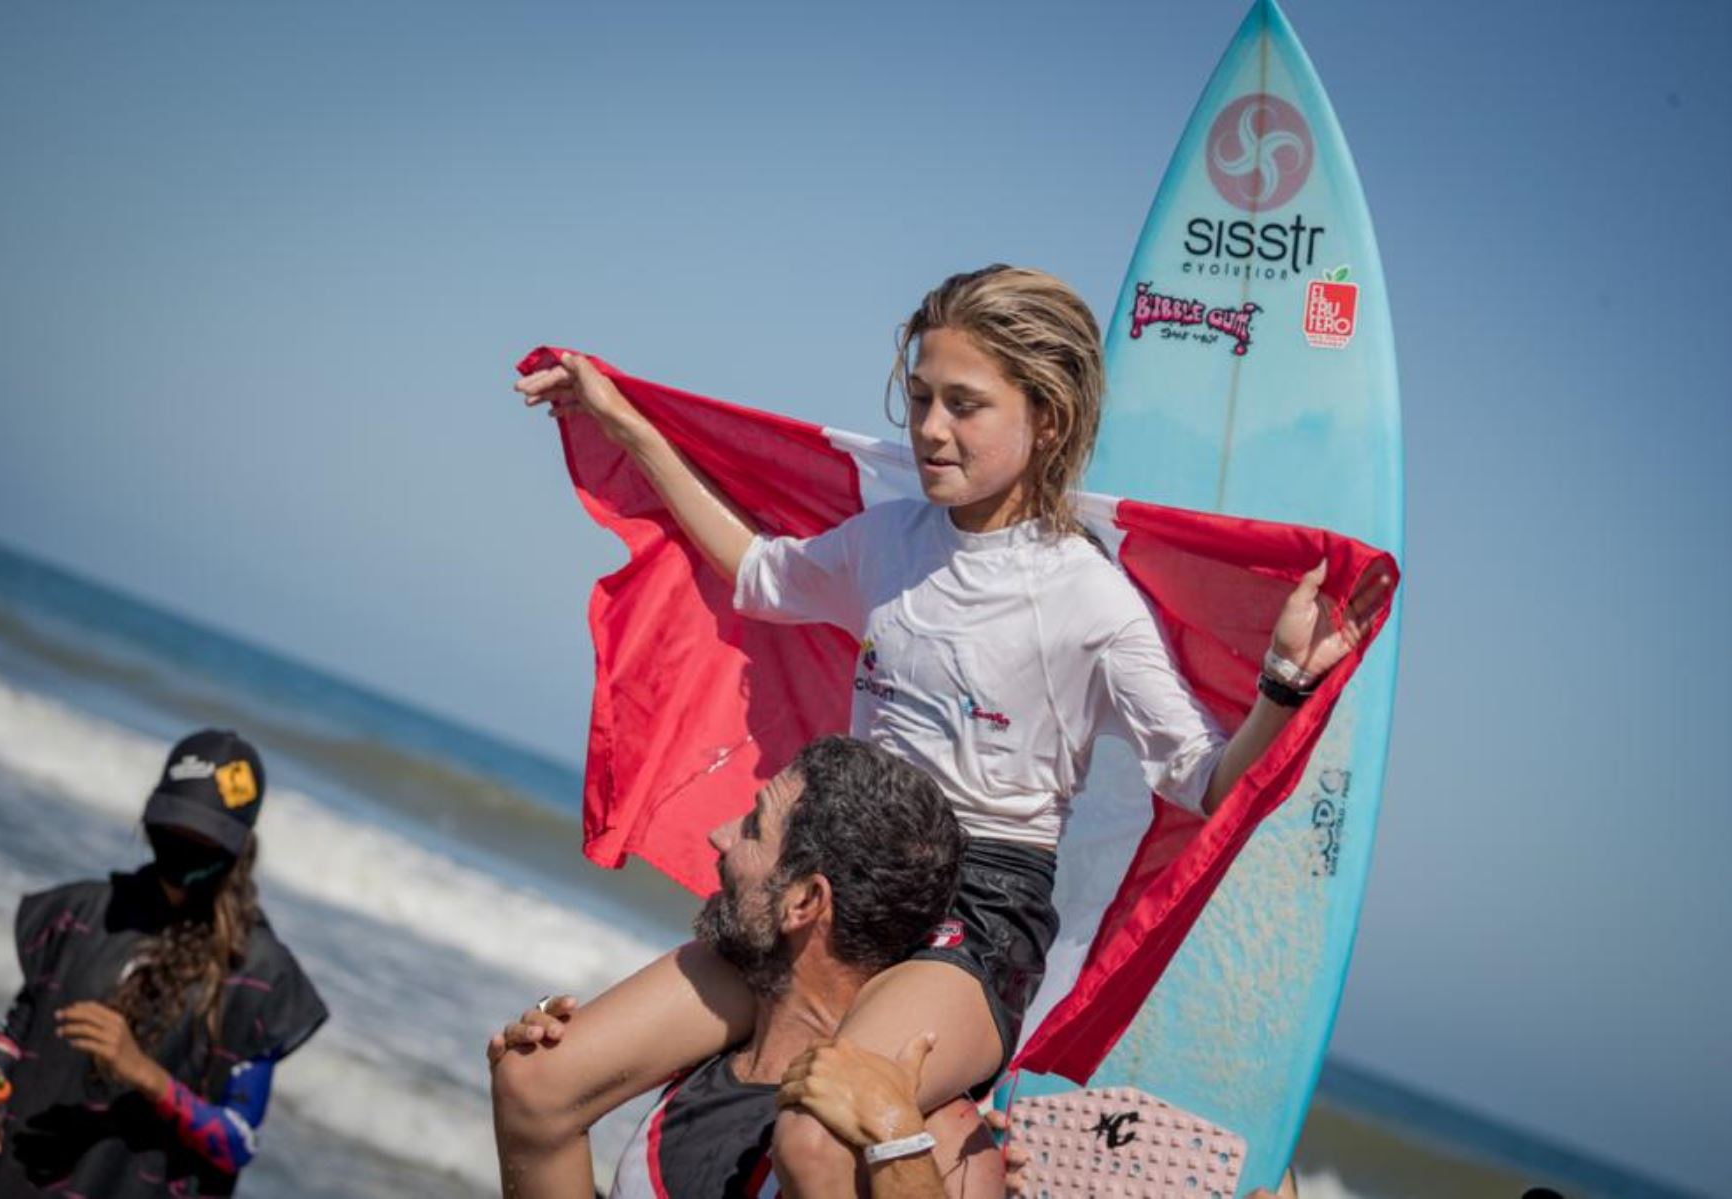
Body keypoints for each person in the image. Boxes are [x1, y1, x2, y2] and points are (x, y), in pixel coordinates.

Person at [511, 265, 1388, 1198]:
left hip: (974, 911)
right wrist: (624, 421)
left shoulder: (1087, 599)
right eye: (921, 397)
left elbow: (1205, 782)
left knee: (820, 1135)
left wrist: (1286, 685)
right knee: (538, 1080)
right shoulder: (888, 539)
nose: (929, 428)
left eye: (964, 405)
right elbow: (761, 577)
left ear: (1045, 418)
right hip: (838, 881)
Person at [490, 735, 996, 1199]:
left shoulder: (935, 1143)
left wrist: (893, 1141)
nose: (720, 837)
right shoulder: (700, 1061)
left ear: (804, 902)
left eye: (753, 828)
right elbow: (540, 1117)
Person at [0, 730, 327, 1198]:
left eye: (198, 844)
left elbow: (238, 1140)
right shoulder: (82, 914)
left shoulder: (260, 975)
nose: (180, 854)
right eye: (169, 835)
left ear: (236, 850)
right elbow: (14, 1032)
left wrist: (145, 1073)